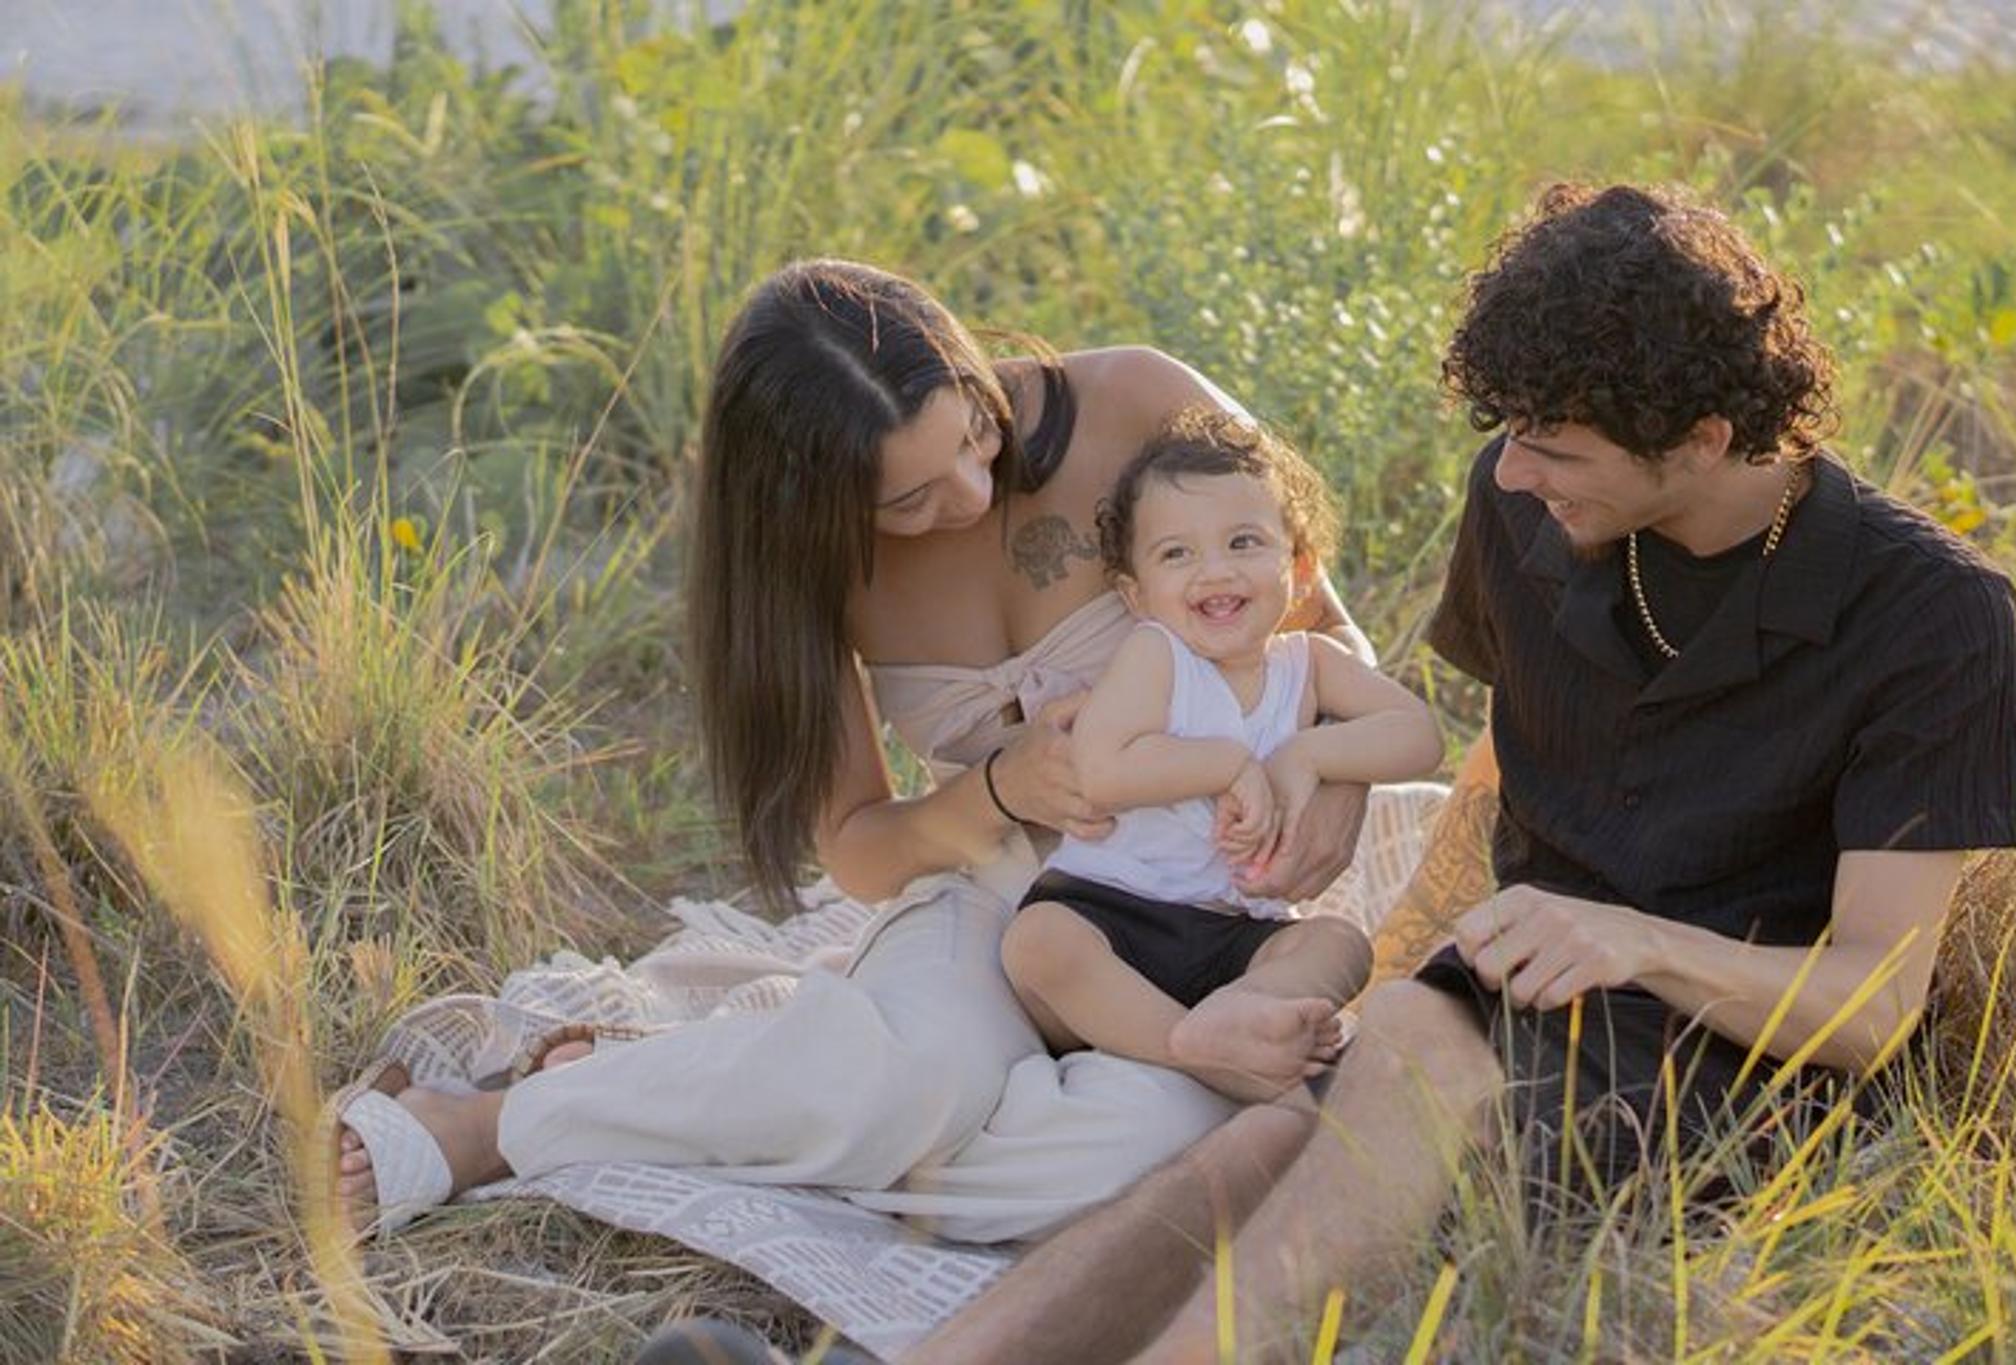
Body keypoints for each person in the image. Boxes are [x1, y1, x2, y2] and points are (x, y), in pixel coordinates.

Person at [887, 182, 2016, 1364]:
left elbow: (1870, 1007)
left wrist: (1635, 943)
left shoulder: (1929, 614)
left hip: (1730, 1071)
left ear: (1701, 439)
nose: (1515, 474)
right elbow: (1492, 758)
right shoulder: (1521, 503)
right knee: (1264, 1142)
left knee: (1390, 1076)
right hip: (1508, 997)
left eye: (1554, 449)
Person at [332, 259, 1399, 1245]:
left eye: (973, 437)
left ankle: (740, 1085)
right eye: (909, 498)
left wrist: (1333, 781)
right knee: (900, 1092)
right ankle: (490, 1124)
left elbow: (1326, 642)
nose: (972, 497)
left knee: (1130, 1149)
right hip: (1004, 896)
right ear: (814, 499)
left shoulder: (1135, 400)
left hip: (1207, 901)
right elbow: (858, 852)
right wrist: (998, 785)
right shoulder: (815, 577)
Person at [1002, 411, 1441, 1101]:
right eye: (1177, 554)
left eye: (1243, 542)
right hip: (1113, 909)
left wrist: (1307, 754)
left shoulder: (1309, 664)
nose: (1215, 571)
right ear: (1136, 594)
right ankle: (1190, 1049)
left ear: (1296, 568)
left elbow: (1421, 735)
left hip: (1237, 932)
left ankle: (1241, 1017)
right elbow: (1103, 770)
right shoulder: (1158, 657)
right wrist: (1230, 765)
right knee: (1036, 942)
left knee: (1340, 944)